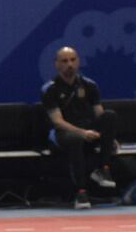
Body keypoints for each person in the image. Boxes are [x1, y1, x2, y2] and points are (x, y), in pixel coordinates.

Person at [43, 46, 123, 208]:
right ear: (56, 64)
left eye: (73, 60)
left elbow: (99, 114)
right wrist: (82, 132)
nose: (69, 64)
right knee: (74, 139)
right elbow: (57, 121)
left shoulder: (89, 85)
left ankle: (103, 168)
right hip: (64, 134)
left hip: (89, 130)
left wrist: (110, 137)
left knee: (110, 116)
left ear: (78, 61)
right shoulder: (50, 89)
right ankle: (81, 192)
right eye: (65, 61)